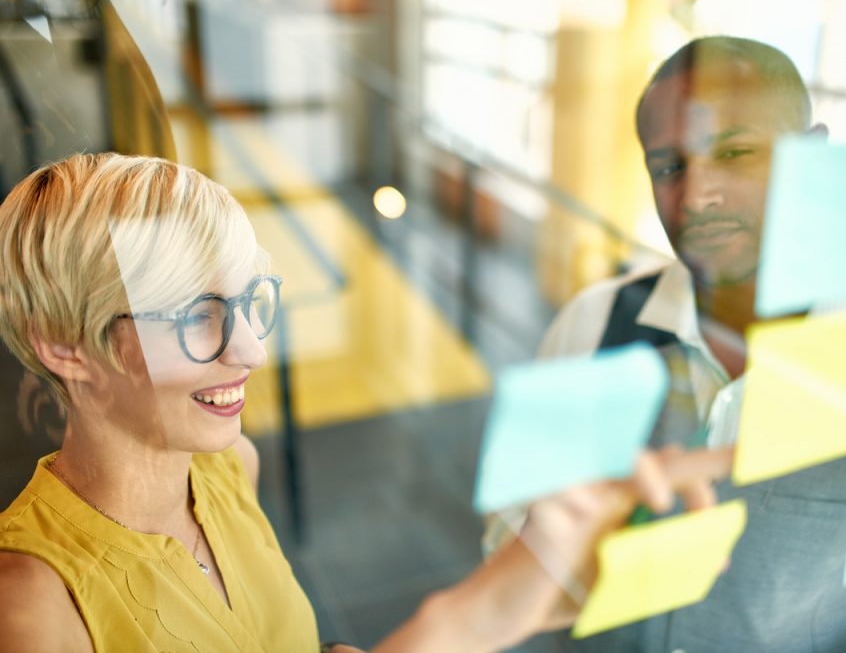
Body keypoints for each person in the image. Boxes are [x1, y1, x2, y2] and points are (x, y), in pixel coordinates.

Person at [0, 153, 734, 652]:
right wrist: (464, 618)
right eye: (194, 316)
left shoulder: (228, 468)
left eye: (251, 301)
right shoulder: (29, 603)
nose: (251, 349)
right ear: (65, 347)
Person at [485, 36, 846, 651]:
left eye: (735, 151)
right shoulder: (590, 326)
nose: (697, 196)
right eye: (668, 167)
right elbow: (510, 520)